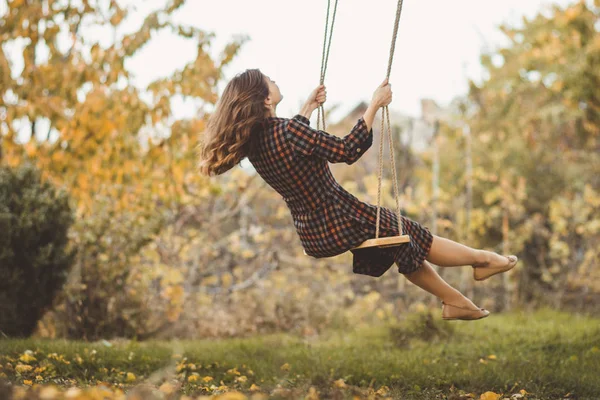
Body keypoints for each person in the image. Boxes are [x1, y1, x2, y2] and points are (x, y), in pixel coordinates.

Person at [199, 69, 518, 320]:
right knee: (412, 233)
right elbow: (348, 150)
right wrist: (374, 105)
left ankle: (455, 301)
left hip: (315, 231)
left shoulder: (256, 144)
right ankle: (484, 259)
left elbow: (290, 143)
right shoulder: (288, 132)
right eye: (270, 80)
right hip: (342, 216)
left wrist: (308, 108)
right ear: (266, 100)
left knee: (402, 243)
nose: (275, 80)